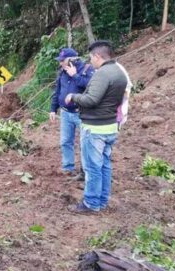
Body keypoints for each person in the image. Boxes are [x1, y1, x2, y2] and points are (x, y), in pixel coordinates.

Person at [65, 41, 128, 213]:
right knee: (104, 165)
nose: (90, 61)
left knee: (92, 167)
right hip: (109, 126)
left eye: (91, 57)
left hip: (95, 128)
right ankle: (101, 200)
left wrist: (74, 96)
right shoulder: (119, 72)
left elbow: (91, 99)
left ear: (98, 56)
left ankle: (91, 203)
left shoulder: (102, 74)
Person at [49, 47, 94, 179]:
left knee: (85, 144)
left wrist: (74, 75)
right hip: (65, 113)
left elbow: (90, 86)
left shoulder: (87, 69)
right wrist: (53, 109)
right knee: (65, 141)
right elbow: (57, 91)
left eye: (63, 60)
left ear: (72, 59)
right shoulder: (62, 72)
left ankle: (85, 171)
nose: (60, 63)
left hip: (81, 114)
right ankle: (68, 167)